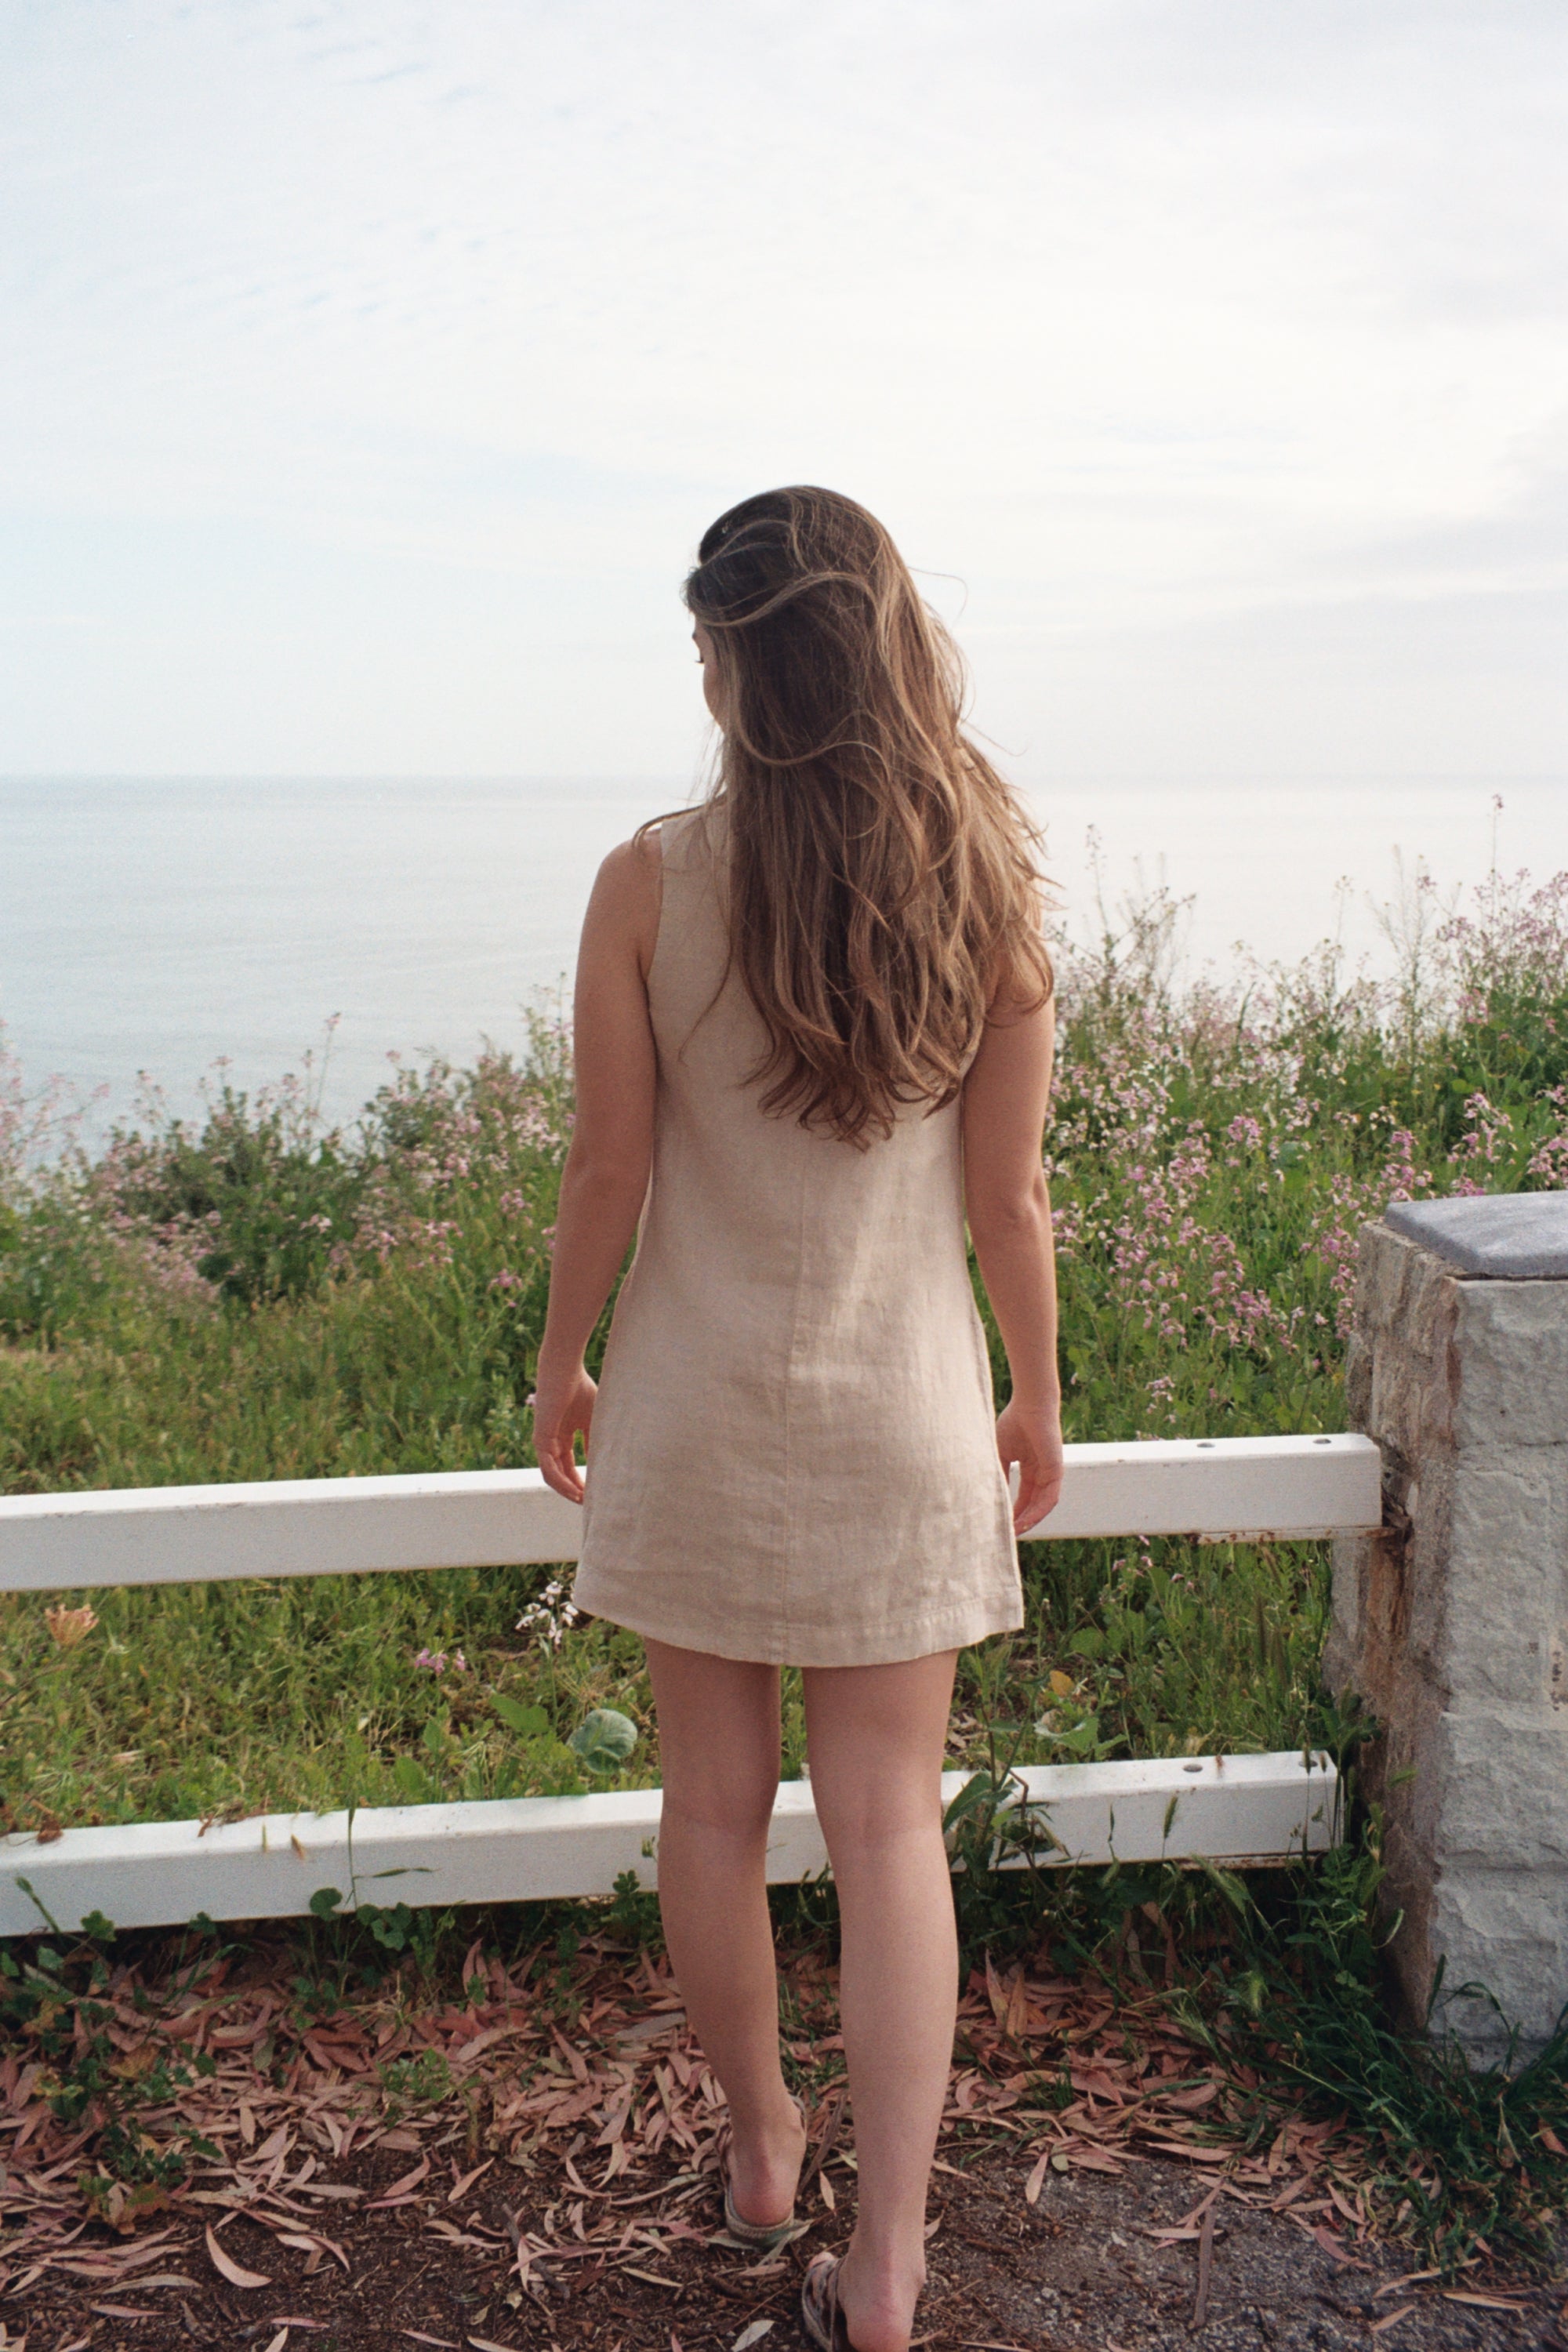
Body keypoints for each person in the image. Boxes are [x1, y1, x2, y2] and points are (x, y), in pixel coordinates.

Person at [532, 485, 1063, 2352]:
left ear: (743, 664)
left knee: (707, 1808)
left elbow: (608, 1170)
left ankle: (764, 2154)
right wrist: (1037, 1395)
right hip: (906, 1416)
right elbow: (1008, 1209)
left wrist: (557, 1363)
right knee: (890, 1828)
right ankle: (894, 2261)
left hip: (690, 1405)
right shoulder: (982, 878)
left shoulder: (648, 880)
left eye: (702, 647)